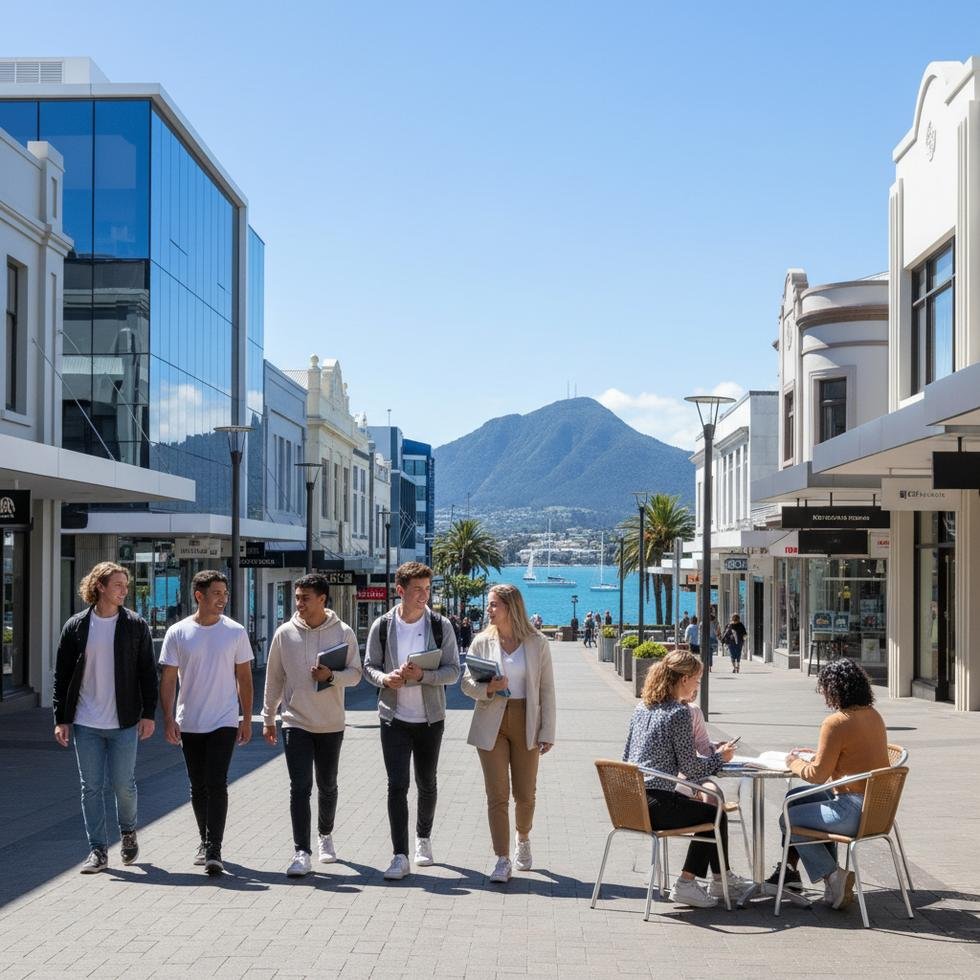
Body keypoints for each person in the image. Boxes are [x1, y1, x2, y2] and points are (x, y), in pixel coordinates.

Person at [622, 650, 749, 907]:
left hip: (630, 801)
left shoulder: (641, 708)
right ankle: (688, 882)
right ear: (684, 679)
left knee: (709, 810)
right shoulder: (678, 713)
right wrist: (720, 758)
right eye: (697, 679)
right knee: (715, 814)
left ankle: (718, 880)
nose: (697, 685)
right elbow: (691, 768)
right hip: (657, 802)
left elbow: (626, 756)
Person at [52, 562, 157, 874]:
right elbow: (62, 675)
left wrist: (148, 715)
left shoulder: (136, 626)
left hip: (123, 721)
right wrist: (61, 718)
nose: (125, 590)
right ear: (99, 586)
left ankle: (127, 832)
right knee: (91, 787)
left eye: (126, 585)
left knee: (124, 785)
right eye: (118, 585)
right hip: (86, 722)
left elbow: (147, 674)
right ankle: (98, 849)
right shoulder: (76, 626)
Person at [363, 562, 460, 881]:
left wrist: (424, 676)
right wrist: (385, 679)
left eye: (428, 589)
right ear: (400, 590)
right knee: (397, 785)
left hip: (430, 718)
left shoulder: (439, 625)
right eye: (417, 589)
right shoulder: (382, 625)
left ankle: (423, 840)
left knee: (427, 782)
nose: (424, 595)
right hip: (394, 717)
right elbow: (369, 667)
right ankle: (399, 855)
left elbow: (453, 671)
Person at [262, 573, 362, 877]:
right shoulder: (284, 633)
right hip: (295, 721)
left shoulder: (343, 633)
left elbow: (356, 674)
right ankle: (301, 852)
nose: (299, 603)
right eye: (296, 597)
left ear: (322, 599)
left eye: (306, 597)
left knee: (327, 785)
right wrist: (268, 717)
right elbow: (274, 678)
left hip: (331, 722)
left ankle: (325, 836)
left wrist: (331, 677)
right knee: (299, 787)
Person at [771, 659, 889, 909]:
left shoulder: (836, 722)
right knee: (798, 797)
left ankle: (834, 876)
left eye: (824, 688)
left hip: (852, 811)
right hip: (877, 809)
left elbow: (816, 775)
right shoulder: (873, 715)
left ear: (834, 689)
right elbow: (853, 754)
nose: (823, 694)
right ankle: (795, 873)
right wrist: (818, 753)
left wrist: (793, 761)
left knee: (788, 818)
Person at [159, 570, 254, 876]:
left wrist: (246, 718)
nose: (222, 600)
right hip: (189, 721)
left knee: (217, 782)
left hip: (224, 720)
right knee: (197, 786)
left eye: (225, 594)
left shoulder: (235, 632)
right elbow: (169, 679)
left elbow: (244, 677)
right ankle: (204, 839)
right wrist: (169, 718)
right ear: (199, 595)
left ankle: (214, 848)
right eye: (216, 594)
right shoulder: (178, 632)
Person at [462, 584, 556, 883]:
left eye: (493, 605)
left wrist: (548, 730)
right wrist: (488, 687)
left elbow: (546, 690)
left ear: (511, 607)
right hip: (492, 719)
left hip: (526, 718)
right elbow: (466, 684)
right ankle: (502, 858)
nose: (488, 610)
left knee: (525, 793)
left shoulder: (537, 643)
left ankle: (523, 838)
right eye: (488, 605)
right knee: (497, 794)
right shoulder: (481, 642)